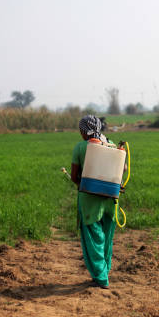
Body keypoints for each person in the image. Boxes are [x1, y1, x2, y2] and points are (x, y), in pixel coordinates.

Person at [70, 115, 120, 289]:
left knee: (93, 238)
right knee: (106, 238)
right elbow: (123, 169)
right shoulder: (112, 145)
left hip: (89, 201)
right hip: (110, 201)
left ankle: (101, 277)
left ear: (84, 131)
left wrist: (82, 185)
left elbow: (75, 176)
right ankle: (104, 271)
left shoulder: (80, 147)